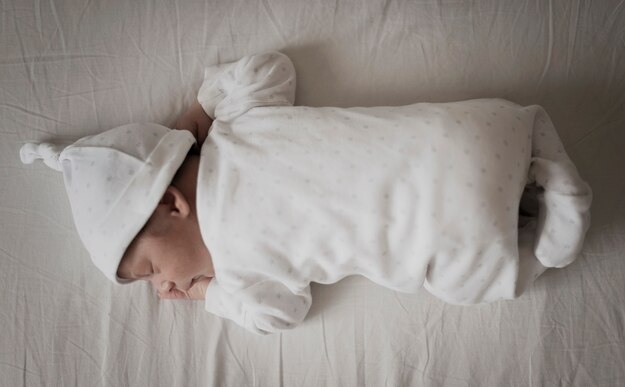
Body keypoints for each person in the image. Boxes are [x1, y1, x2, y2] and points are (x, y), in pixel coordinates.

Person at [20, 51, 592, 335]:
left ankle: (548, 239)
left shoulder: (239, 268)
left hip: (449, 235)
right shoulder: (238, 128)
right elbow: (271, 68)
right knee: (500, 155)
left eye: (150, 270)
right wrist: (194, 118)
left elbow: (283, 315)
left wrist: (210, 295)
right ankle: (543, 171)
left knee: (503, 265)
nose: (164, 287)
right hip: (475, 131)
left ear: (173, 204)